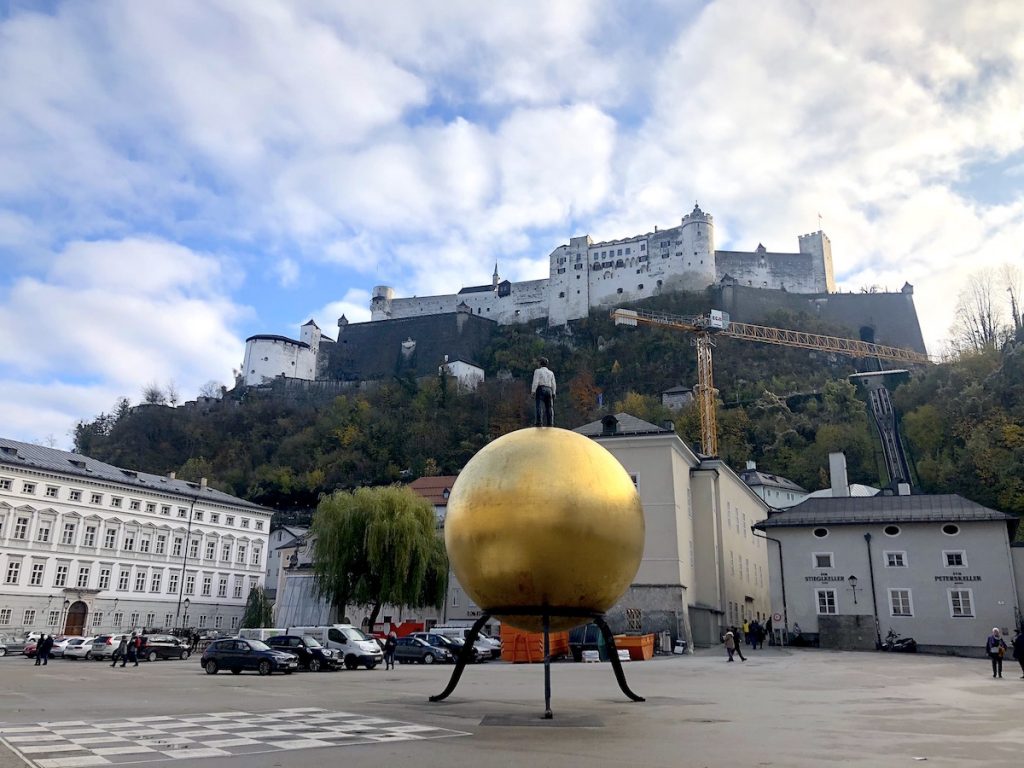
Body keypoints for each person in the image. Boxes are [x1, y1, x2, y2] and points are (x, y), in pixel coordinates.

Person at [531, 357, 556, 427]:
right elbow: (553, 383)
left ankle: (539, 422)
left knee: (539, 406)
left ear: (540, 363)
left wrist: (533, 391)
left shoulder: (537, 371)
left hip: (541, 388)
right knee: (549, 407)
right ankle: (550, 423)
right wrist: (554, 392)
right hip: (549, 389)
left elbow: (536, 381)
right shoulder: (551, 373)